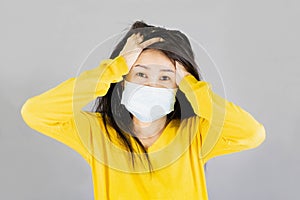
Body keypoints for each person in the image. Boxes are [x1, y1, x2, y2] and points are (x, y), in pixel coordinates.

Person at [21, 20, 266, 199]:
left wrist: (191, 84)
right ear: (123, 79)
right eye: (140, 73)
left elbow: (251, 133)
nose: (151, 85)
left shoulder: (196, 134)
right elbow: (36, 112)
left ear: (178, 87)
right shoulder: (98, 133)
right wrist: (113, 68)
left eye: (165, 78)